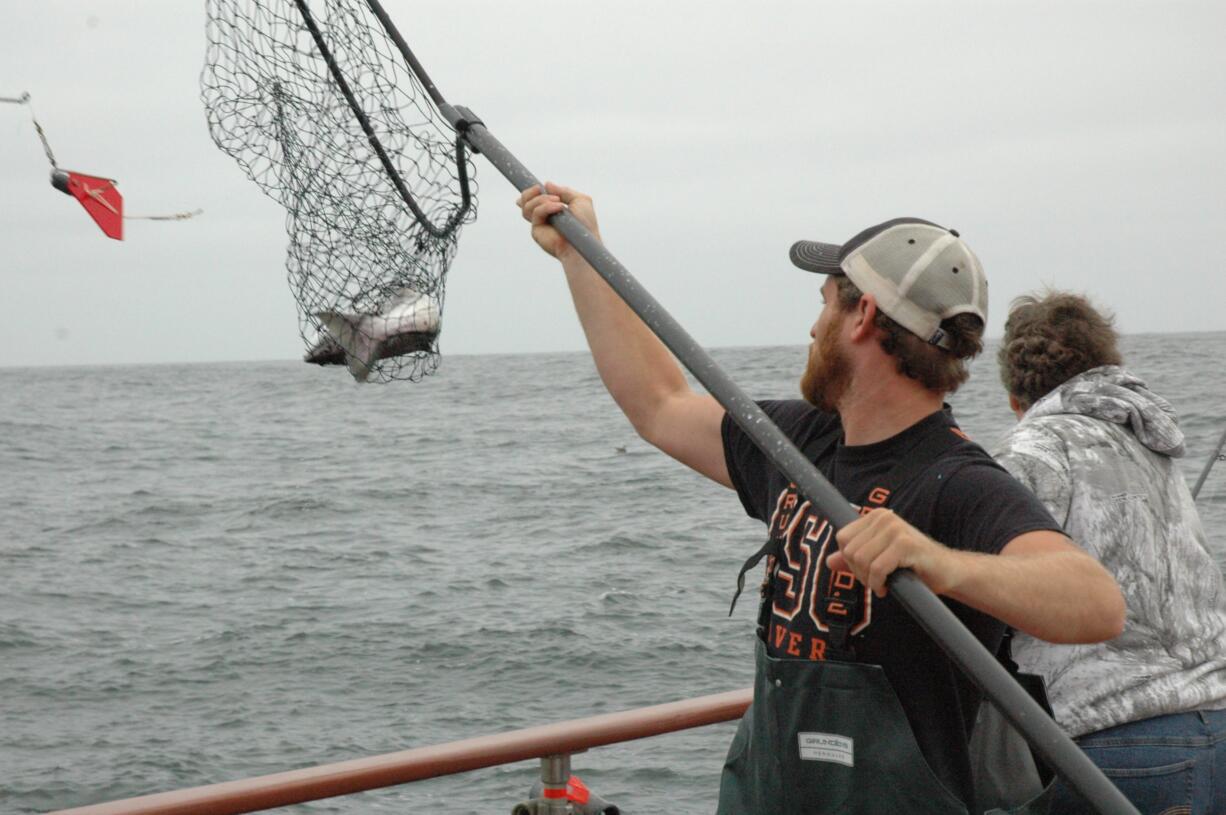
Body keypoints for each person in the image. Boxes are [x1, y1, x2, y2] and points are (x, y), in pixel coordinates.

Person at [518, 183, 1125, 815]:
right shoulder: (799, 441)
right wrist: (579, 256)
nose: (812, 327)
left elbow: (1096, 603)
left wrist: (940, 562)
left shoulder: (957, 479)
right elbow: (658, 404)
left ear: (861, 316)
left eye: (824, 304)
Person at [992, 291, 1226, 815]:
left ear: (1013, 397)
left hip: (1112, 748)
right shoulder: (1154, 444)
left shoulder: (1029, 454)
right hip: (1218, 724)